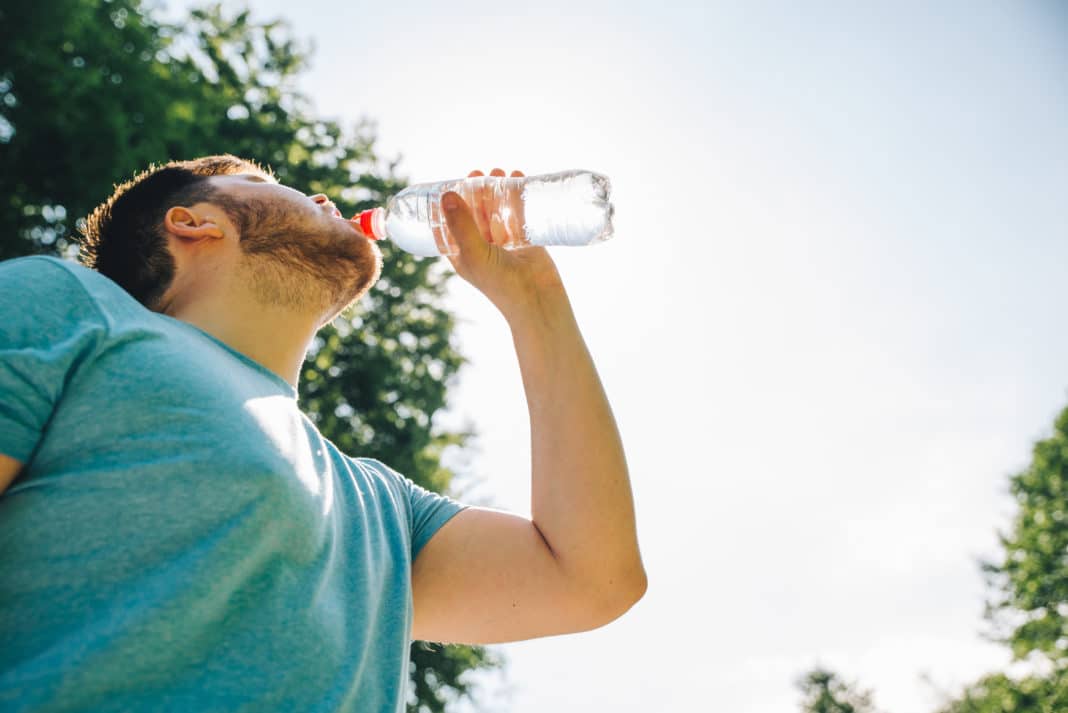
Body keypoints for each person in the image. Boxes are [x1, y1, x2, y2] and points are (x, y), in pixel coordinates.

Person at [0, 155, 646, 712]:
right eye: (266, 181)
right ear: (195, 220)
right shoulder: (68, 303)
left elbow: (590, 578)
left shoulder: (383, 506)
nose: (323, 198)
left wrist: (533, 299)